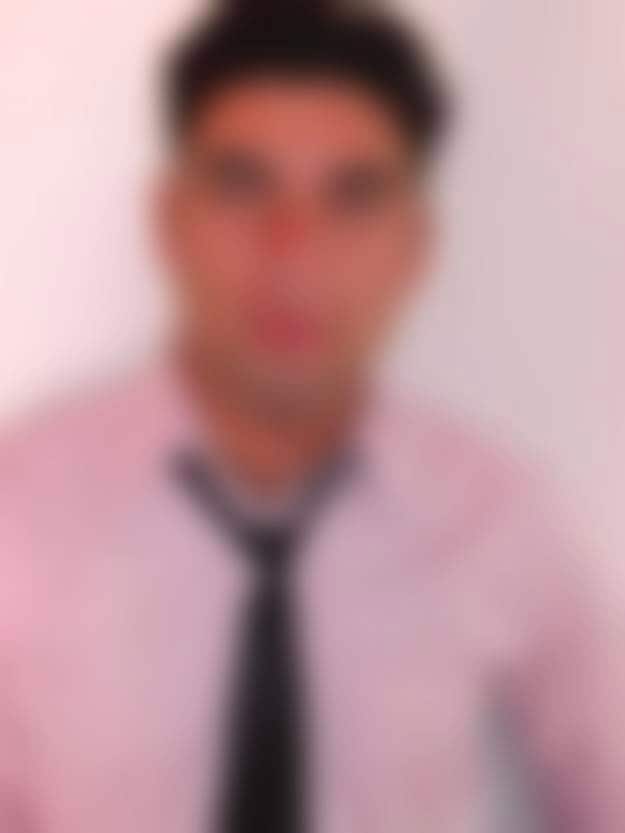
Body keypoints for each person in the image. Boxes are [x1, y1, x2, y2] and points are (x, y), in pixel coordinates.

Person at [0, 1, 622, 831]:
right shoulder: (22, 508)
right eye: (242, 184)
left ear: (414, 242)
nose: (291, 247)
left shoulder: (496, 515)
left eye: (352, 195)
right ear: (169, 217)